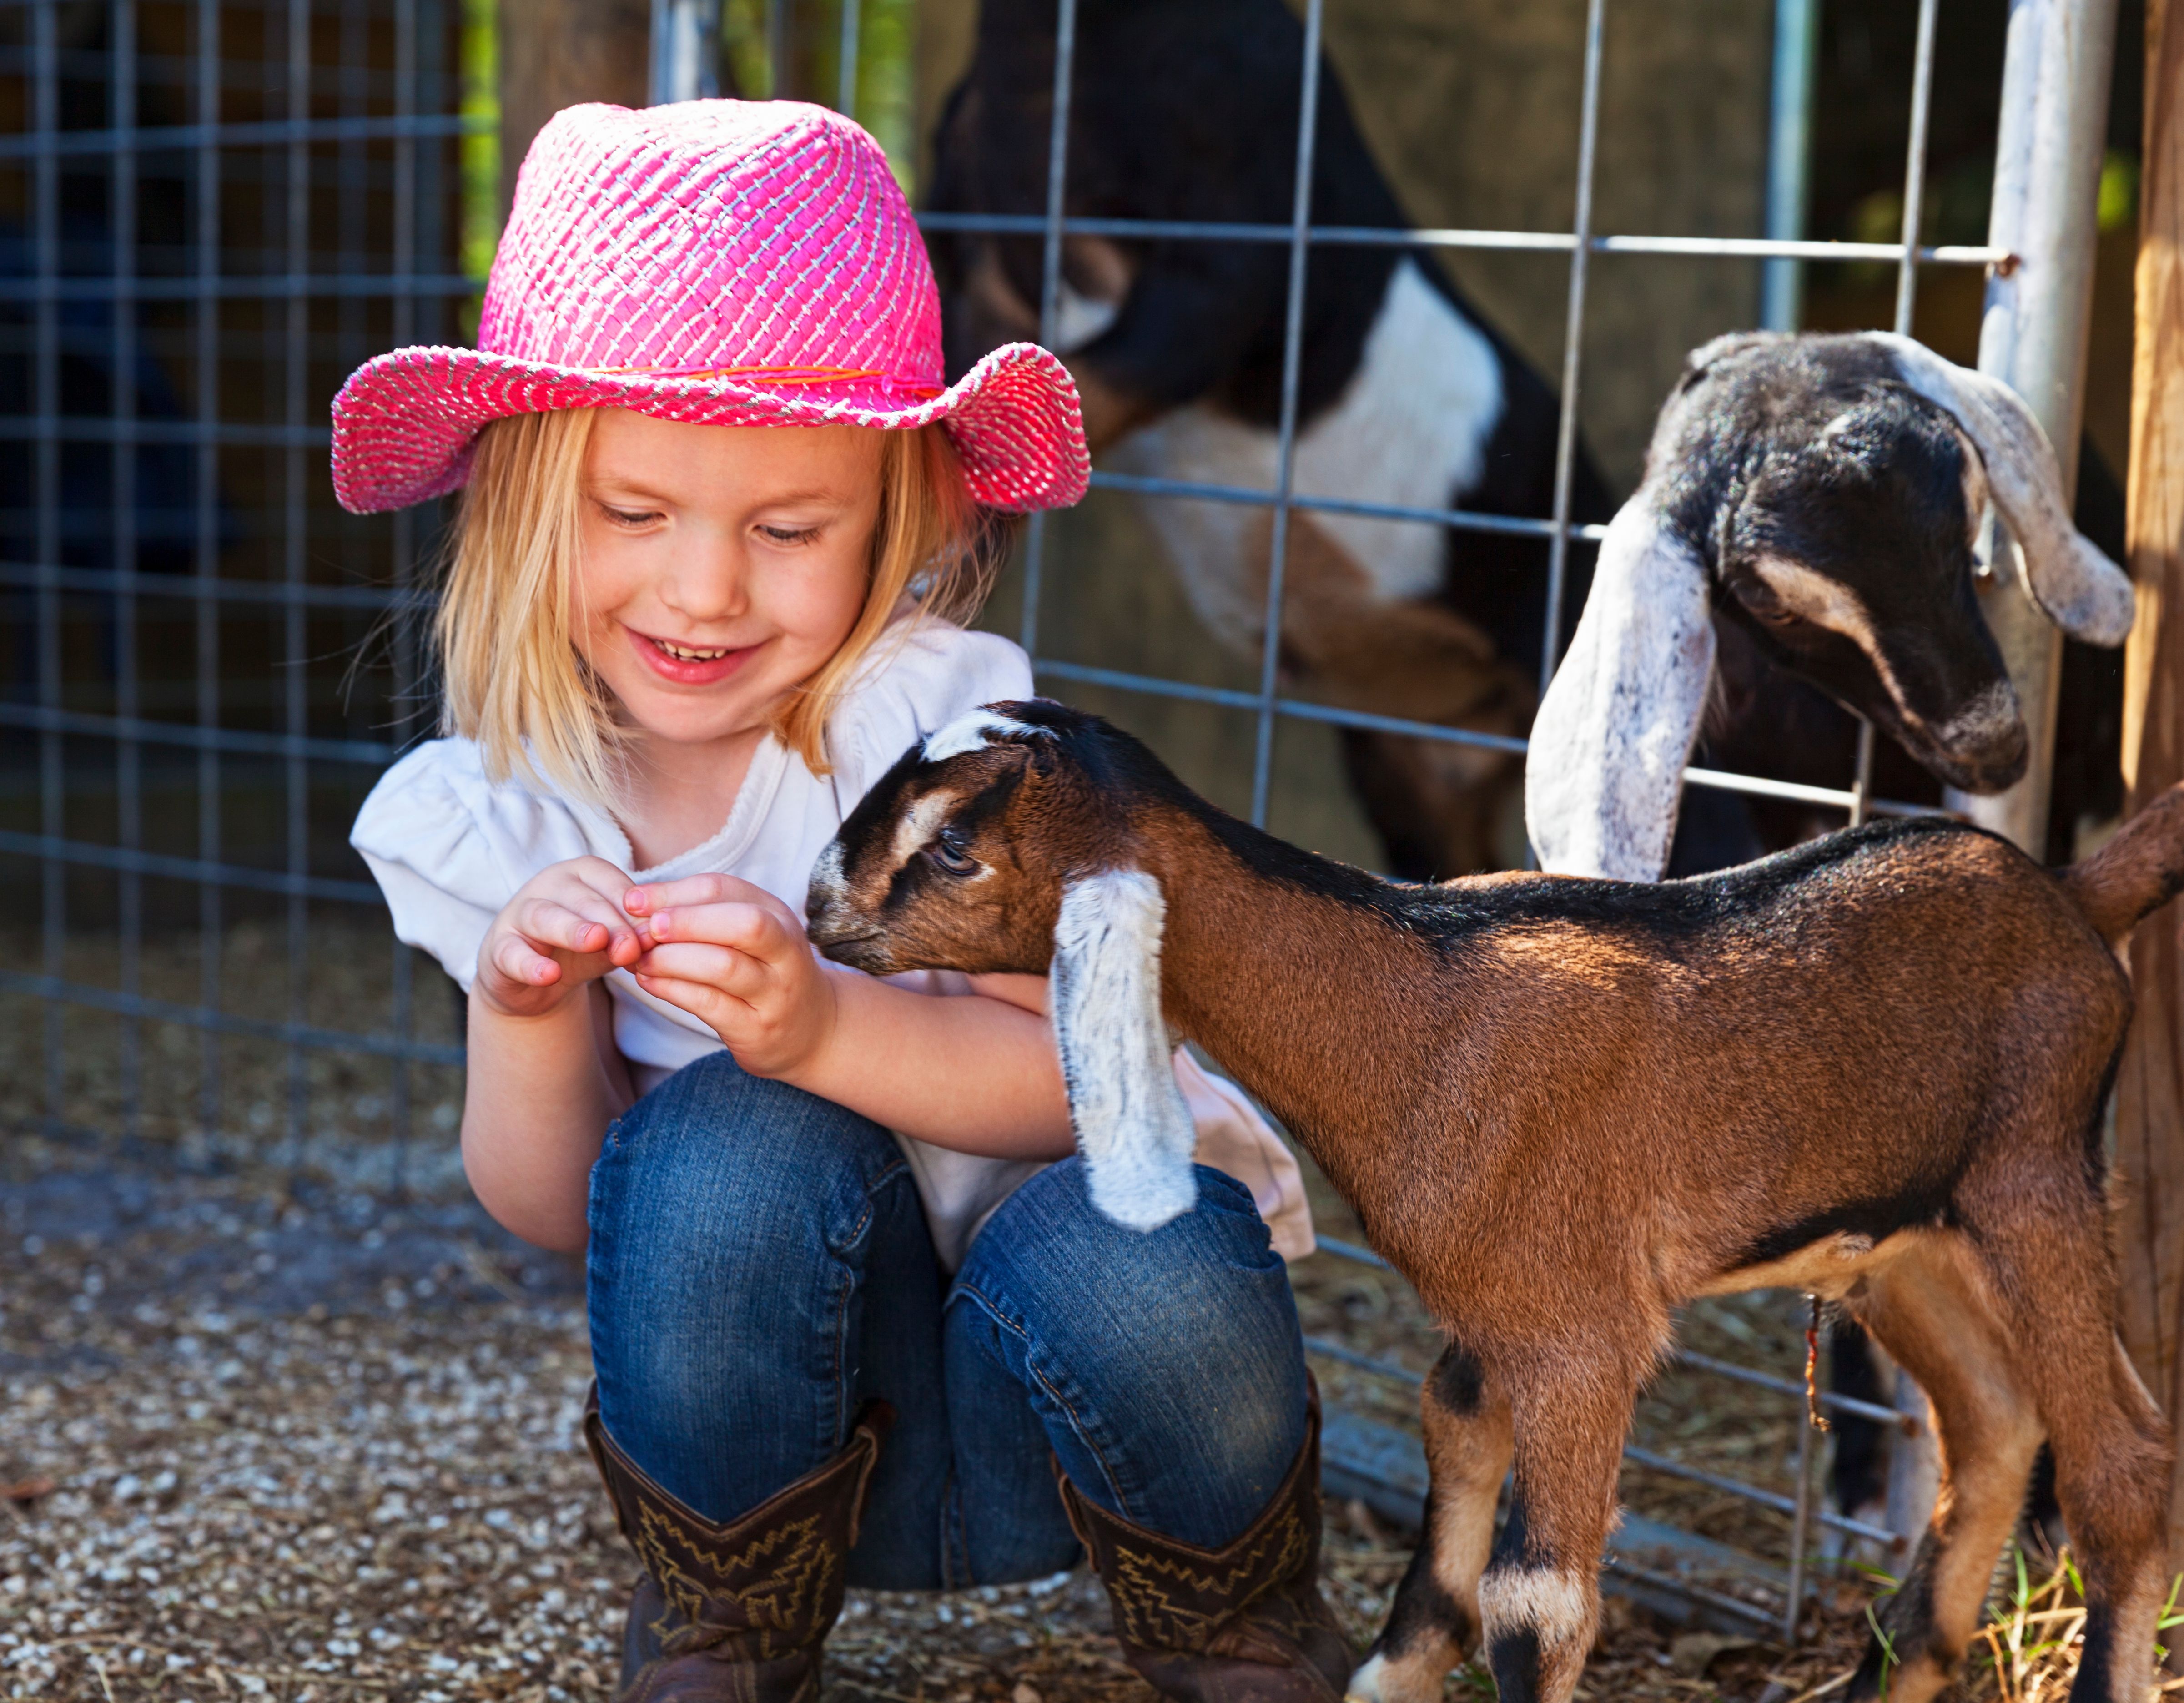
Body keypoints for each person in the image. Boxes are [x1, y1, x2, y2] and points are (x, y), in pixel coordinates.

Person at [335, 99, 1348, 1703]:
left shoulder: (940, 743)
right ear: (523, 506)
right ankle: (727, 1615)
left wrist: (823, 1022)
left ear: (907, 513)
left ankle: (1233, 1612)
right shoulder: (501, 810)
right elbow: (552, 1210)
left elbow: (1092, 1081)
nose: (703, 589)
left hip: (1089, 1431)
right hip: (784, 1456)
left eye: (786, 529)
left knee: (1125, 1224)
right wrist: (524, 1015)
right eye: (634, 512)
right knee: (720, 1143)